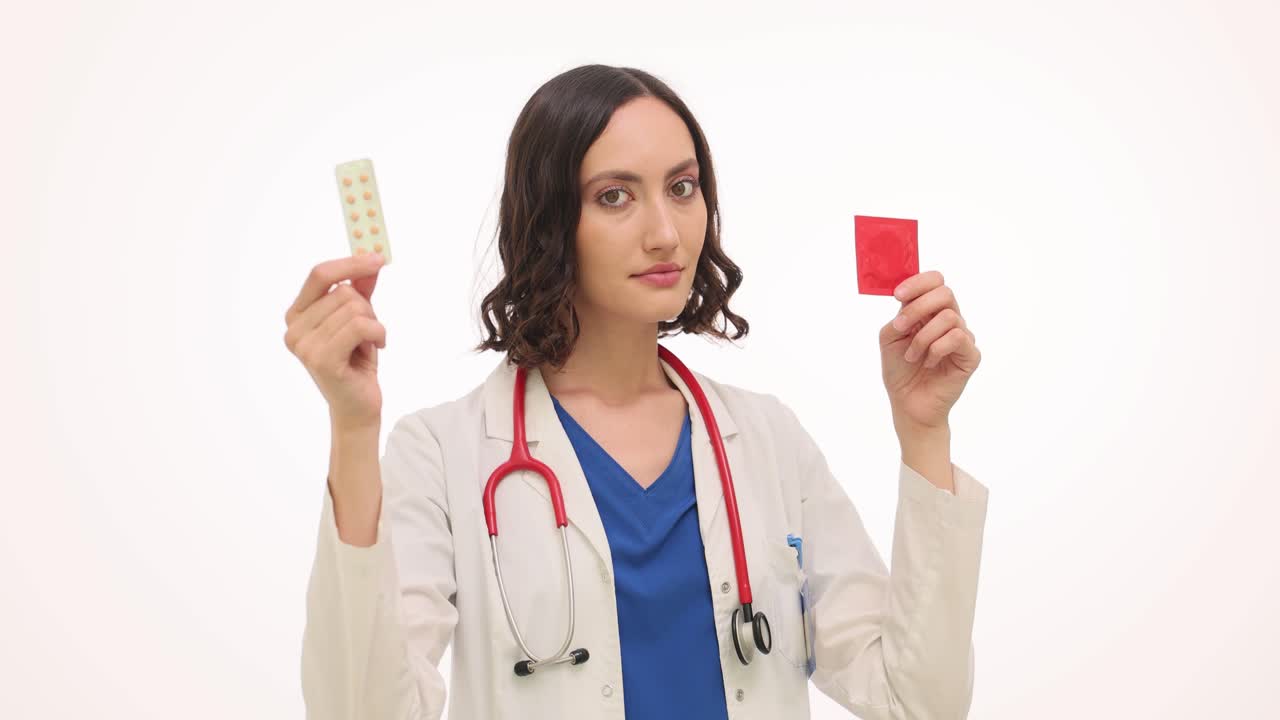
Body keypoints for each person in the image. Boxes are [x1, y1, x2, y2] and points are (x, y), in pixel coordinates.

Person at [285, 64, 989, 720]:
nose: (664, 233)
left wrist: (924, 433)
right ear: (549, 221)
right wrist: (352, 428)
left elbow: (916, 703)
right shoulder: (444, 453)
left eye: (682, 188)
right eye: (614, 196)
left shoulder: (768, 441)